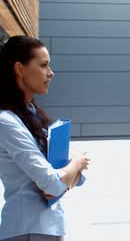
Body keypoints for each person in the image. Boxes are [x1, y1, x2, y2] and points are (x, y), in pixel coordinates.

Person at [0, 35, 89, 241]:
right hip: (26, 227)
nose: (51, 73)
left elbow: (59, 183)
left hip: (45, 226)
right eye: (43, 65)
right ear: (20, 69)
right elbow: (52, 183)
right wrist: (77, 162)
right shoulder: (6, 121)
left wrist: (61, 181)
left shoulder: (32, 114)